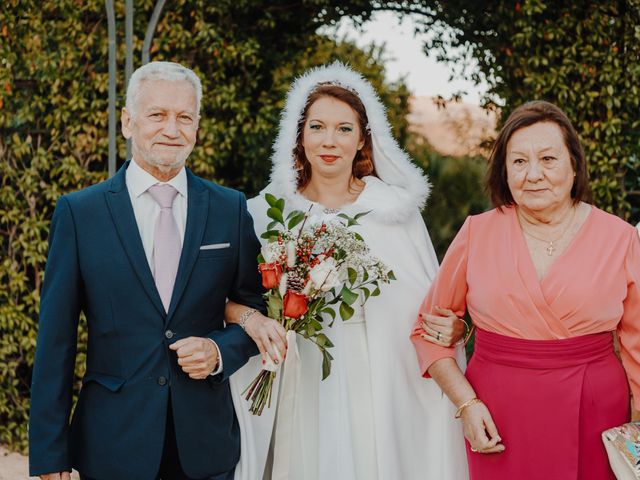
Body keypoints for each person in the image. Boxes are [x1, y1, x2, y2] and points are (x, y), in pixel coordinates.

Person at [228, 63, 469, 480]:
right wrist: (258, 320)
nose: (329, 141)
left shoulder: (393, 212)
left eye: (344, 129)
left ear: (363, 140)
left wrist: (456, 329)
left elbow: (431, 307)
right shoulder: (264, 213)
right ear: (298, 136)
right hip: (297, 373)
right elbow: (228, 300)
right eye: (318, 127)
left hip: (379, 376)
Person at [29, 62, 265, 480]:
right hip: (112, 443)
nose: (172, 129)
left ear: (196, 126)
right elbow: (56, 342)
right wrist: (49, 455)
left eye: (184, 117)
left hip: (205, 445)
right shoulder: (80, 213)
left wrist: (218, 353)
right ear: (127, 122)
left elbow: (250, 309)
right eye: (157, 115)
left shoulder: (230, 209)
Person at [411, 100, 640, 479]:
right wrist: (466, 404)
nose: (533, 174)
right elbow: (427, 332)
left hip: (596, 412)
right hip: (497, 415)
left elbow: (636, 344)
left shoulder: (619, 237)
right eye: (518, 162)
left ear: (574, 165)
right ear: (504, 170)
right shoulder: (476, 233)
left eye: (548, 159)